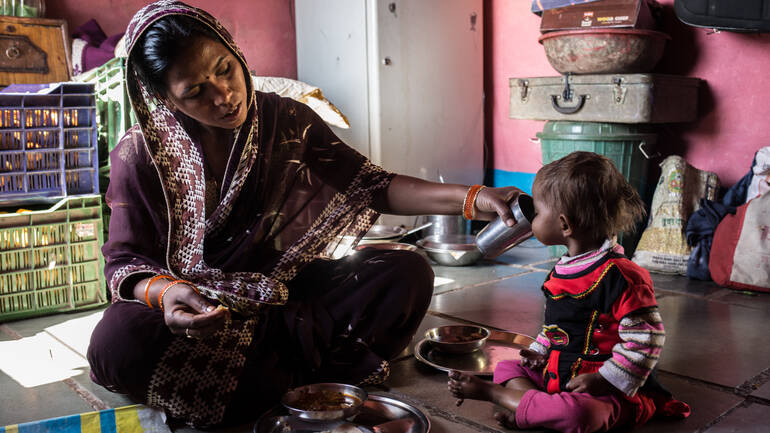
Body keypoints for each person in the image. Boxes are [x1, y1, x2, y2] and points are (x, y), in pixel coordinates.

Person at [86, 0, 522, 428]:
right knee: (116, 345)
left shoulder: (287, 119)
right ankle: (306, 375)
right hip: (204, 312)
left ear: (233, 50)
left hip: (285, 297)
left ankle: (262, 384)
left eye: (223, 69)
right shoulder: (141, 155)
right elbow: (126, 262)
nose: (225, 96)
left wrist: (476, 197)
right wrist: (166, 297)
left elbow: (373, 186)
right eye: (196, 92)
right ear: (164, 100)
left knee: (405, 270)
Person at [447, 152, 690, 433]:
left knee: (580, 414)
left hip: (607, 390)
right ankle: (535, 409)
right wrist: (540, 351)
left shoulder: (621, 276)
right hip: (560, 372)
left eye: (536, 212)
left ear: (564, 225)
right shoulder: (564, 267)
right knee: (506, 368)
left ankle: (504, 397)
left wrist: (604, 378)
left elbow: (648, 340)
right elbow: (555, 327)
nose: (530, 217)